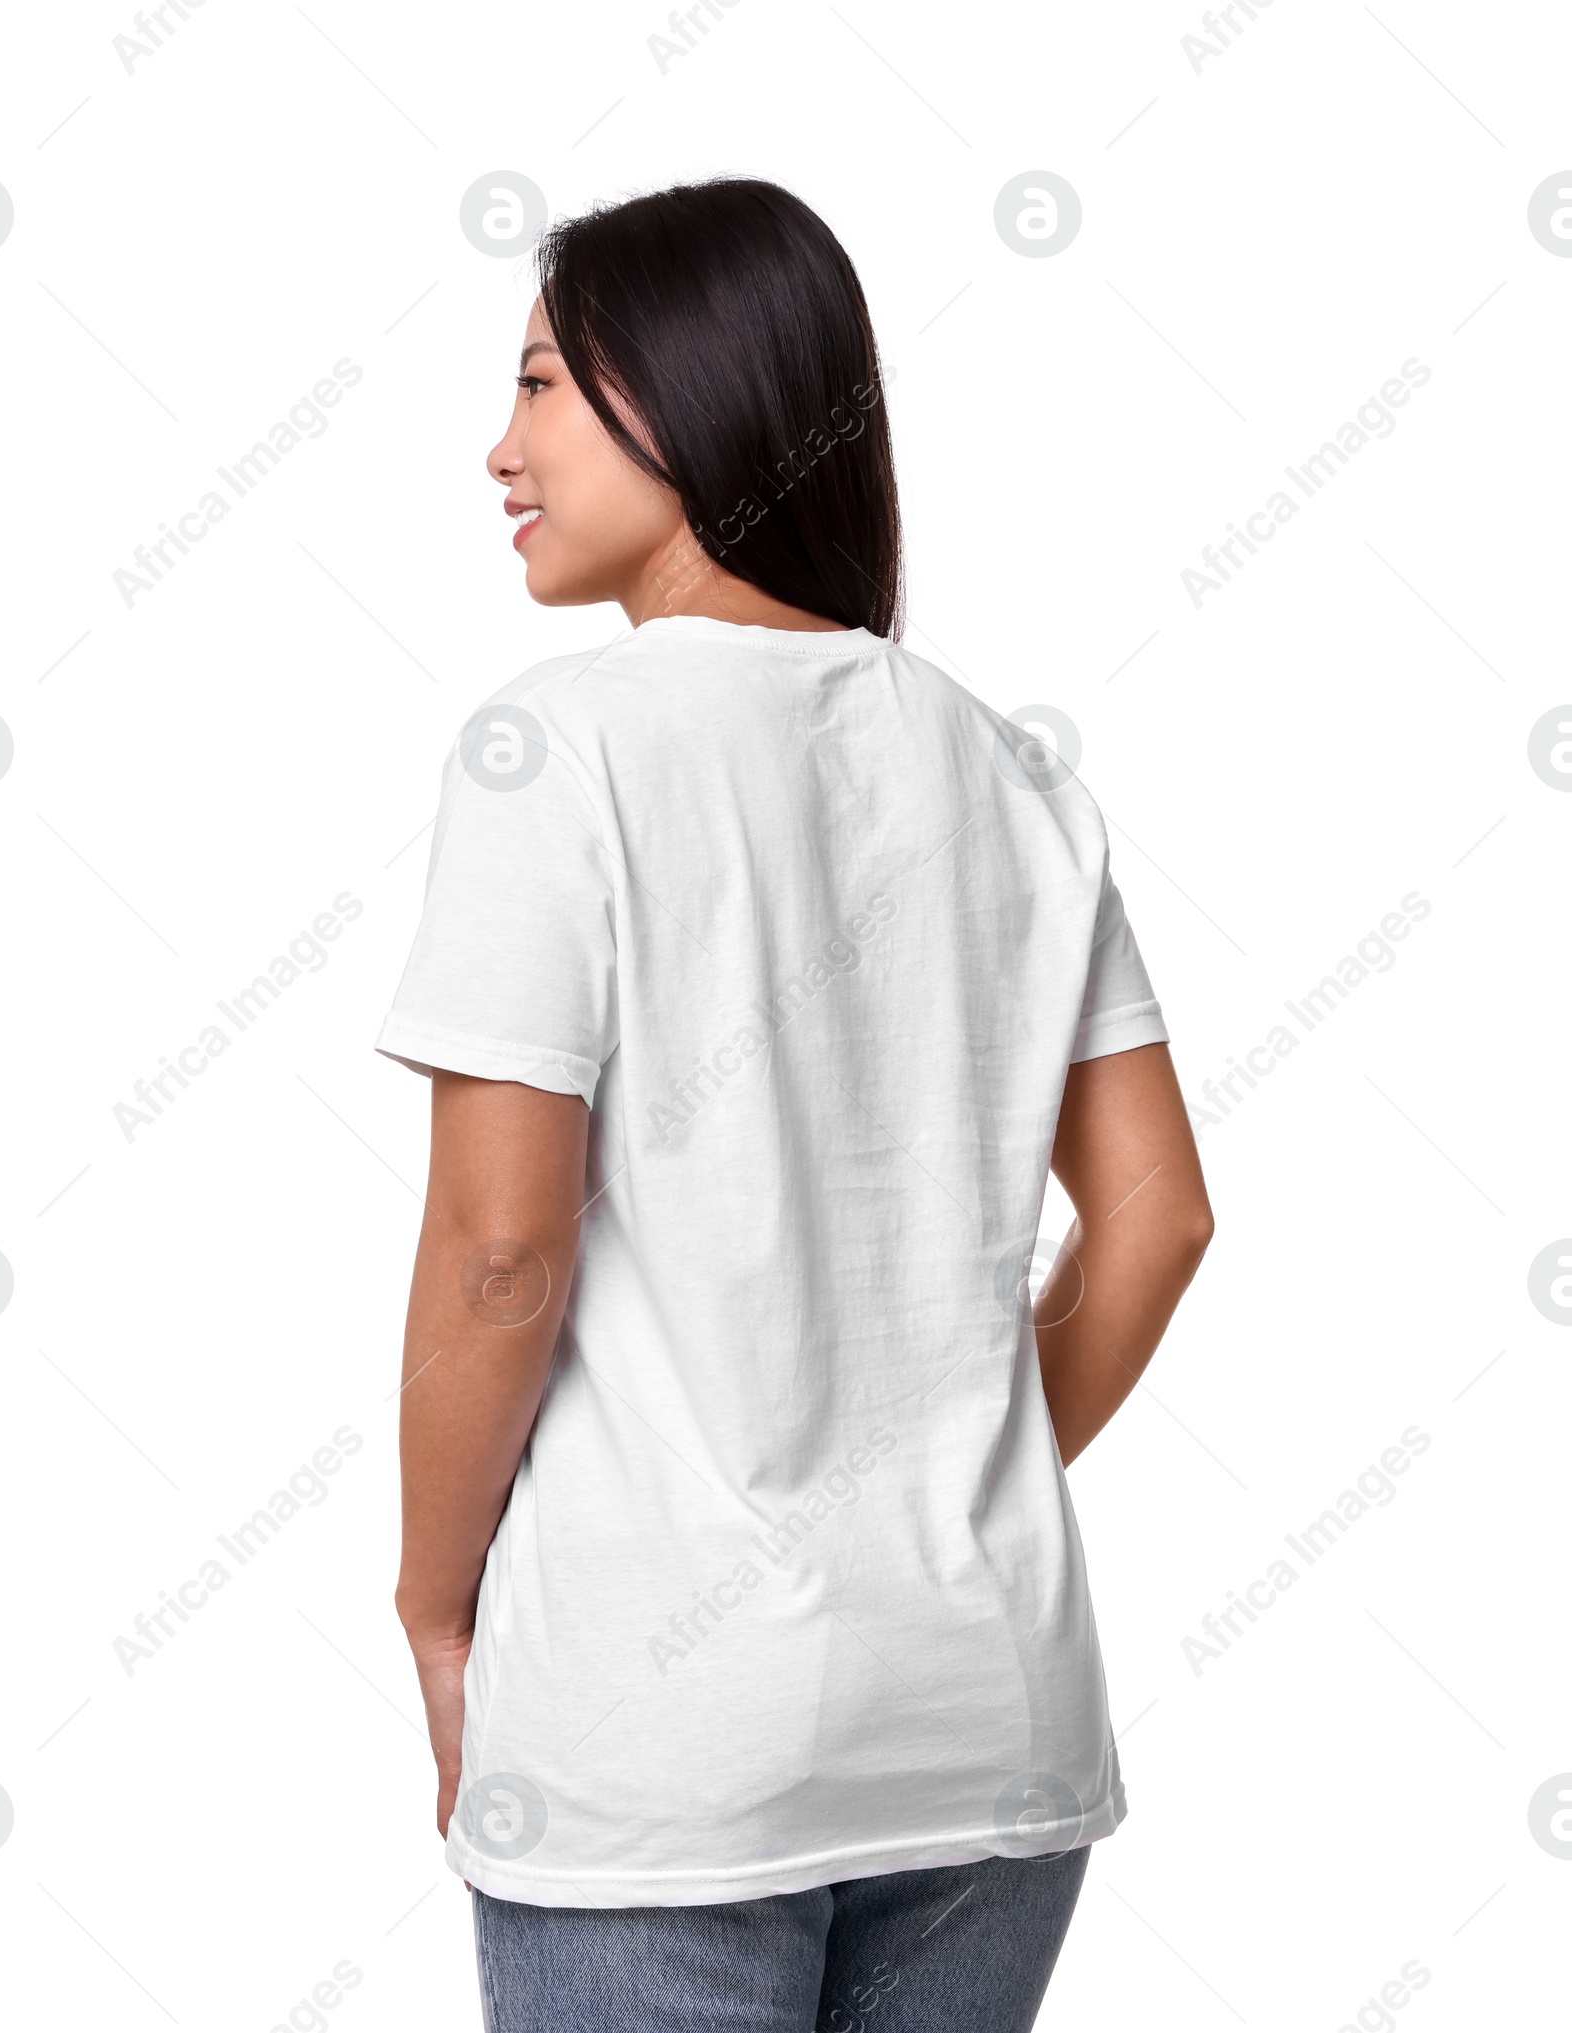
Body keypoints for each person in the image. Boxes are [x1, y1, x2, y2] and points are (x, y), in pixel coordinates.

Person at [377, 177, 1214, 2033]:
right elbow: (1157, 1220)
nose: (494, 450)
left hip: (664, 1747)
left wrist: (440, 1612)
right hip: (988, 1723)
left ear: (680, 395)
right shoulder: (1004, 768)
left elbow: (502, 1249)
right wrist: (937, 1482)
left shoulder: (559, 752)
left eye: (535, 386)